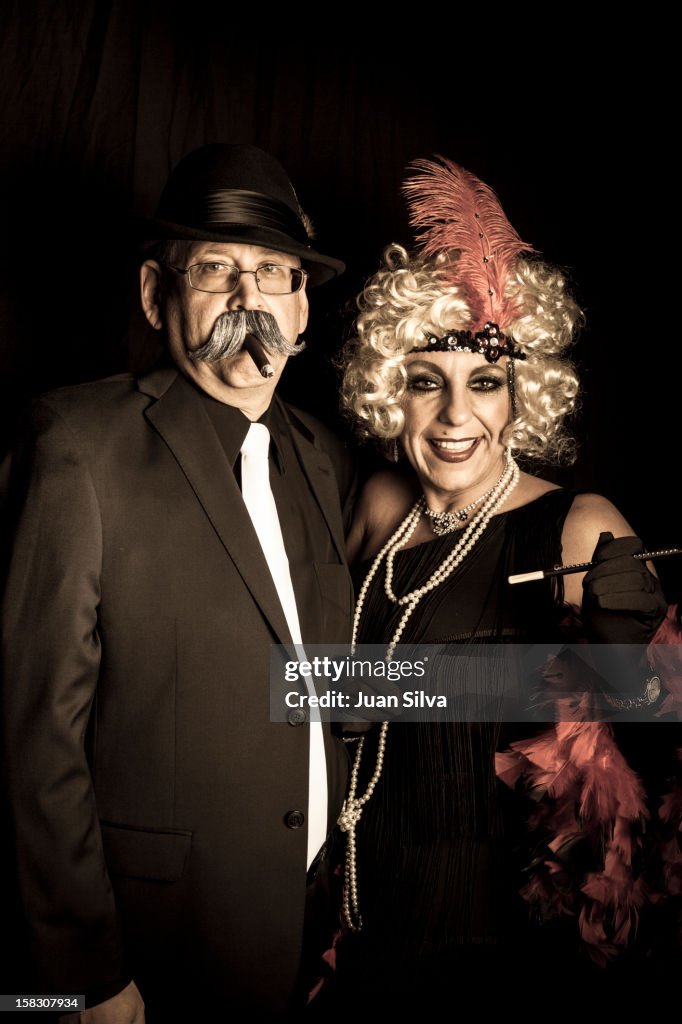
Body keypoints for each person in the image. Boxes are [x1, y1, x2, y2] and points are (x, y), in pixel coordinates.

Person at [0, 144, 357, 1021]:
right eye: (217, 270)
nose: (250, 300)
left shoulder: (325, 456)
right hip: (151, 951)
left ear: (303, 306)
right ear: (158, 295)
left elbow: (322, 679)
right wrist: (84, 972)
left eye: (274, 273)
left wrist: (592, 683)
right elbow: (33, 734)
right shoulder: (77, 445)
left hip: (314, 933)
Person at [330, 155, 681, 1010]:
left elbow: (663, 719)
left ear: (523, 397)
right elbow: (313, 686)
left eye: (485, 383)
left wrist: (642, 674)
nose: (455, 417)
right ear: (389, 393)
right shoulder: (376, 504)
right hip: (353, 910)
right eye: (426, 383)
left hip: (495, 943)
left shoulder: (580, 523)